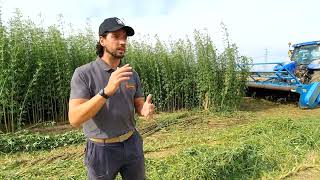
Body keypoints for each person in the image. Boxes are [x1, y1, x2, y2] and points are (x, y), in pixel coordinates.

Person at [68, 17, 155, 180]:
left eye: (124, 37)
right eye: (116, 36)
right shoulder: (83, 74)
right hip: (102, 150)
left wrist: (144, 109)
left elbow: (139, 104)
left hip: (132, 143)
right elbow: (74, 119)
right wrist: (106, 91)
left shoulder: (131, 74)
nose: (122, 41)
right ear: (102, 40)